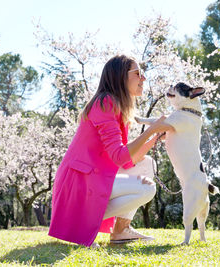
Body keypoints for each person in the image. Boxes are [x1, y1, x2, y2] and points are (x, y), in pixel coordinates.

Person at [48, 55, 173, 247]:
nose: (143, 79)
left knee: (148, 163)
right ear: (121, 76)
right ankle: (80, 221)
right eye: (137, 73)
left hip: (93, 177)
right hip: (79, 182)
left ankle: (121, 230)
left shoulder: (115, 104)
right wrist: (152, 129)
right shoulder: (105, 103)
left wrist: (154, 137)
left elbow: (125, 161)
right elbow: (120, 156)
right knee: (148, 188)